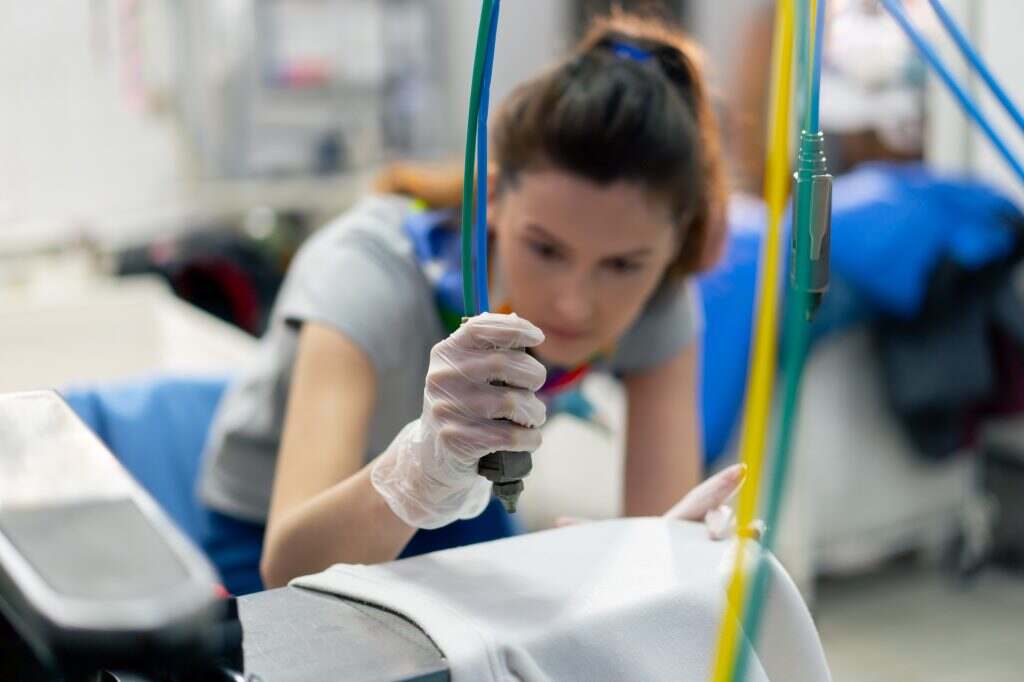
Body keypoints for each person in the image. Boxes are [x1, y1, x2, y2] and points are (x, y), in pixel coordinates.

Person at [197, 10, 741, 594]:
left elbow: (655, 537)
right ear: (492, 198)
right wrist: (417, 471)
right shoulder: (364, 276)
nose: (575, 303)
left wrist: (669, 565)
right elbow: (290, 570)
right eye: (545, 249)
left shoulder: (659, 298)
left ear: (673, 244)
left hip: (459, 514)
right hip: (276, 540)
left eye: (622, 266)